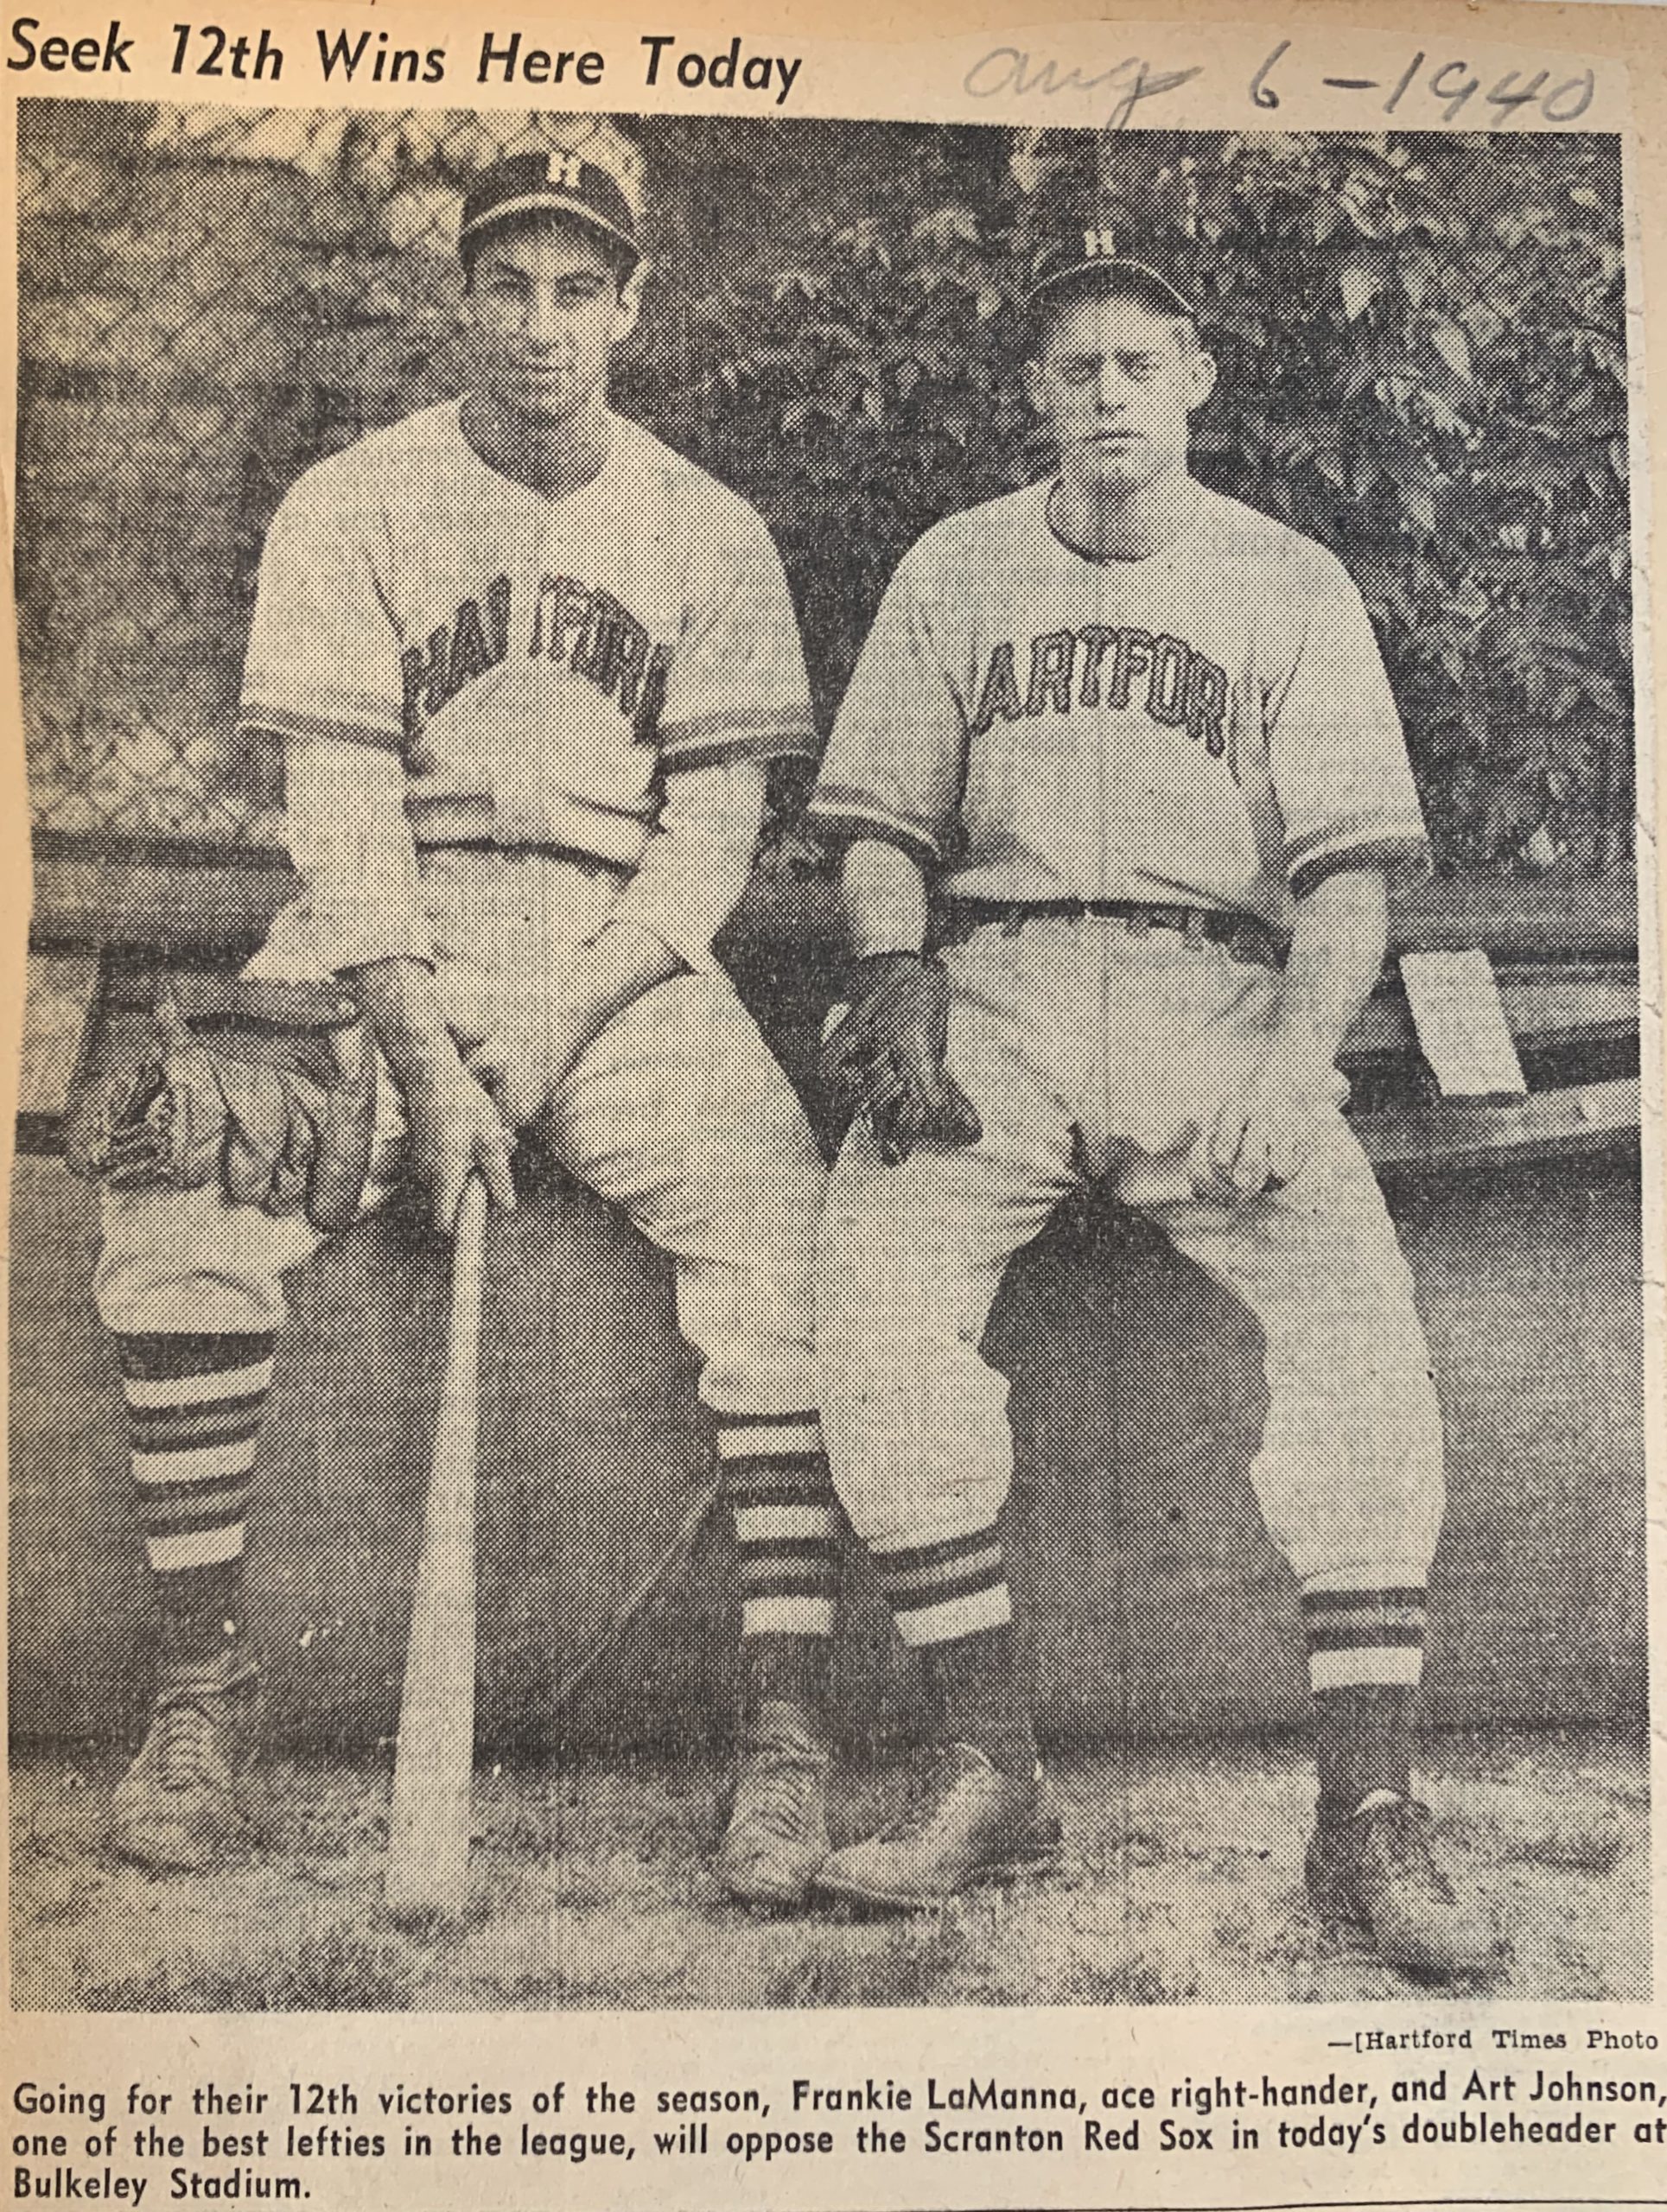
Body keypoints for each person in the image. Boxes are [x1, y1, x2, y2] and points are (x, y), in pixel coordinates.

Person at [82, 151, 838, 1910]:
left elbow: (710, 838)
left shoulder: (705, 527)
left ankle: (786, 1728)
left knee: (784, 1220)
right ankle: (201, 1689)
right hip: (381, 936)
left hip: (616, 950)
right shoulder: (350, 505)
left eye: (580, 288)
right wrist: (424, 1060)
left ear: (630, 308)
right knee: (182, 1191)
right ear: (462, 299)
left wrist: (560, 1023)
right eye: (509, 284)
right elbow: (339, 819)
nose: (541, 324)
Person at [800, 227, 1498, 1980]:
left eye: (1136, 362)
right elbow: (881, 828)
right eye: (1071, 368)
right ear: (1033, 391)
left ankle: (1364, 1812)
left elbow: (1345, 884)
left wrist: (1286, 1065)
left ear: (1193, 376)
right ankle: (990, 1767)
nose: (1104, 393)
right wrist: (898, 984)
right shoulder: (955, 571)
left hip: (1215, 990)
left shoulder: (1285, 582)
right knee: (871, 1282)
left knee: (1354, 1309)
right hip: (1003, 984)